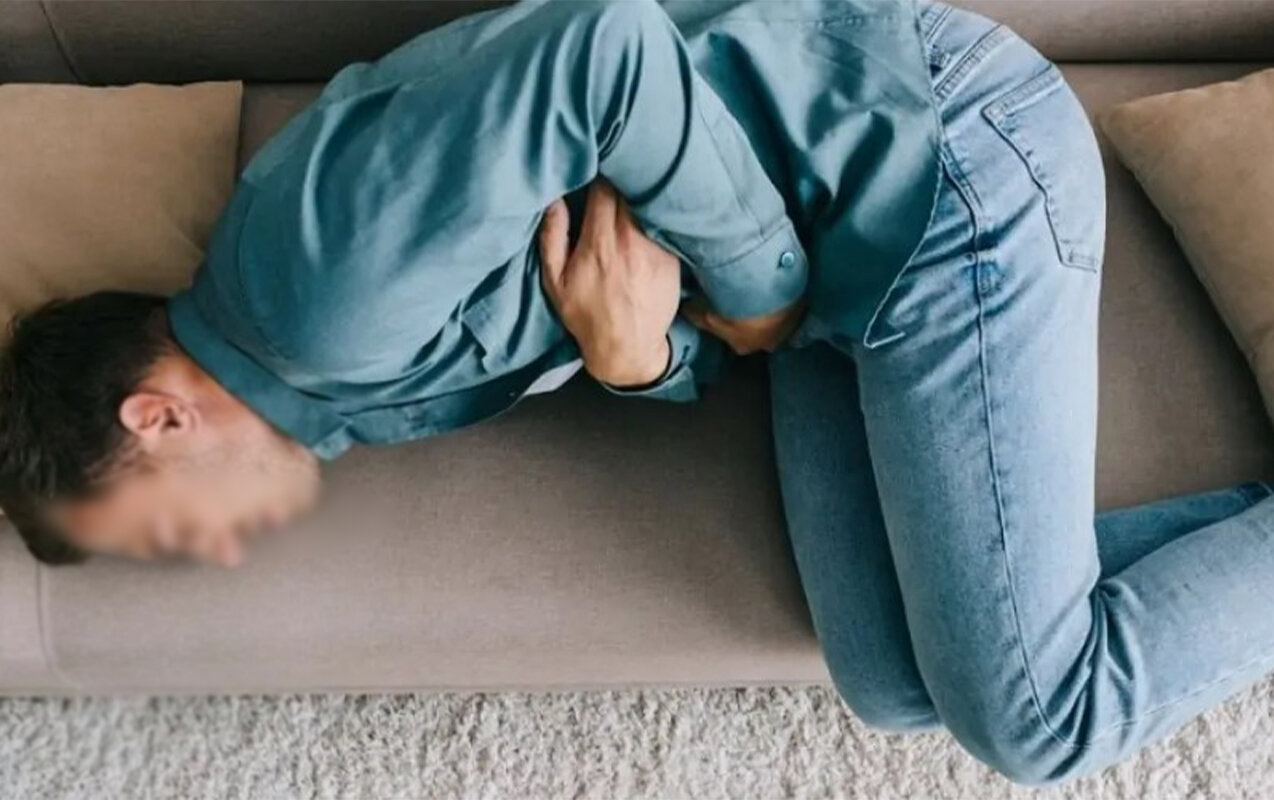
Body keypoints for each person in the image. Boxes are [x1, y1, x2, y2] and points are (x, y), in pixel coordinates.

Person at [1, 0, 1272, 786]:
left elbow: (600, 52)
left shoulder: (313, 291)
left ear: (155, 416)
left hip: (928, 162)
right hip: (829, 274)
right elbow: (626, 306)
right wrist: (641, 363)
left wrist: (763, 293)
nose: (223, 549)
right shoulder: (335, 389)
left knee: (1038, 720)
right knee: (892, 682)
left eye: (172, 529)